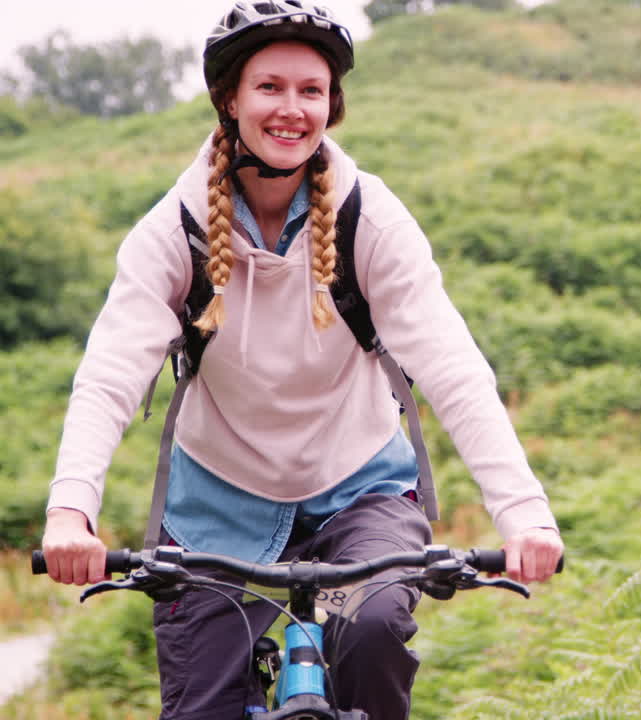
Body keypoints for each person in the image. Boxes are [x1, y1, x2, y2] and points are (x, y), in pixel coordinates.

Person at [39, 2, 563, 718]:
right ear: (230, 99)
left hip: (359, 494)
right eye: (269, 87)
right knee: (201, 704)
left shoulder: (368, 220)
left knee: (373, 629)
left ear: (331, 105)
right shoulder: (174, 232)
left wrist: (523, 514)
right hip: (216, 507)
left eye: (310, 91)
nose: (292, 110)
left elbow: (453, 369)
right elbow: (108, 377)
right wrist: (71, 512)